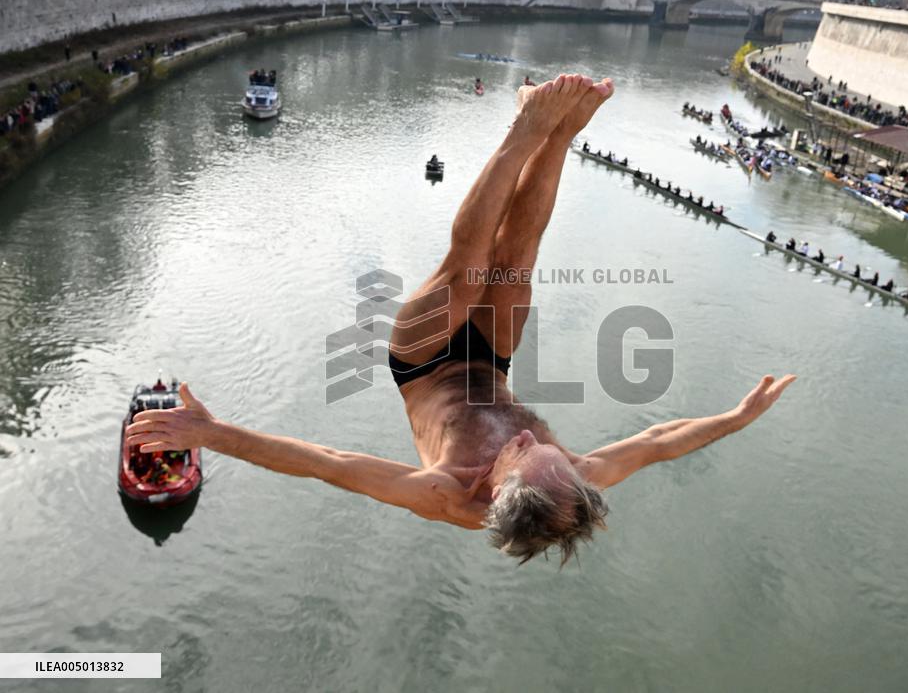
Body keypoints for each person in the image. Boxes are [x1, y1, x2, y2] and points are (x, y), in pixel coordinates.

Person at [124, 73, 795, 565]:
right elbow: (658, 442)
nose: (534, 442)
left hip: (423, 365)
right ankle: (561, 133)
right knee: (519, 257)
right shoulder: (568, 477)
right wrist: (735, 418)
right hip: (488, 361)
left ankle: (527, 123)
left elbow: (325, 462)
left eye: (524, 454)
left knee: (471, 263)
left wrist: (214, 433)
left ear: (494, 486)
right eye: (550, 451)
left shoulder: (444, 493)